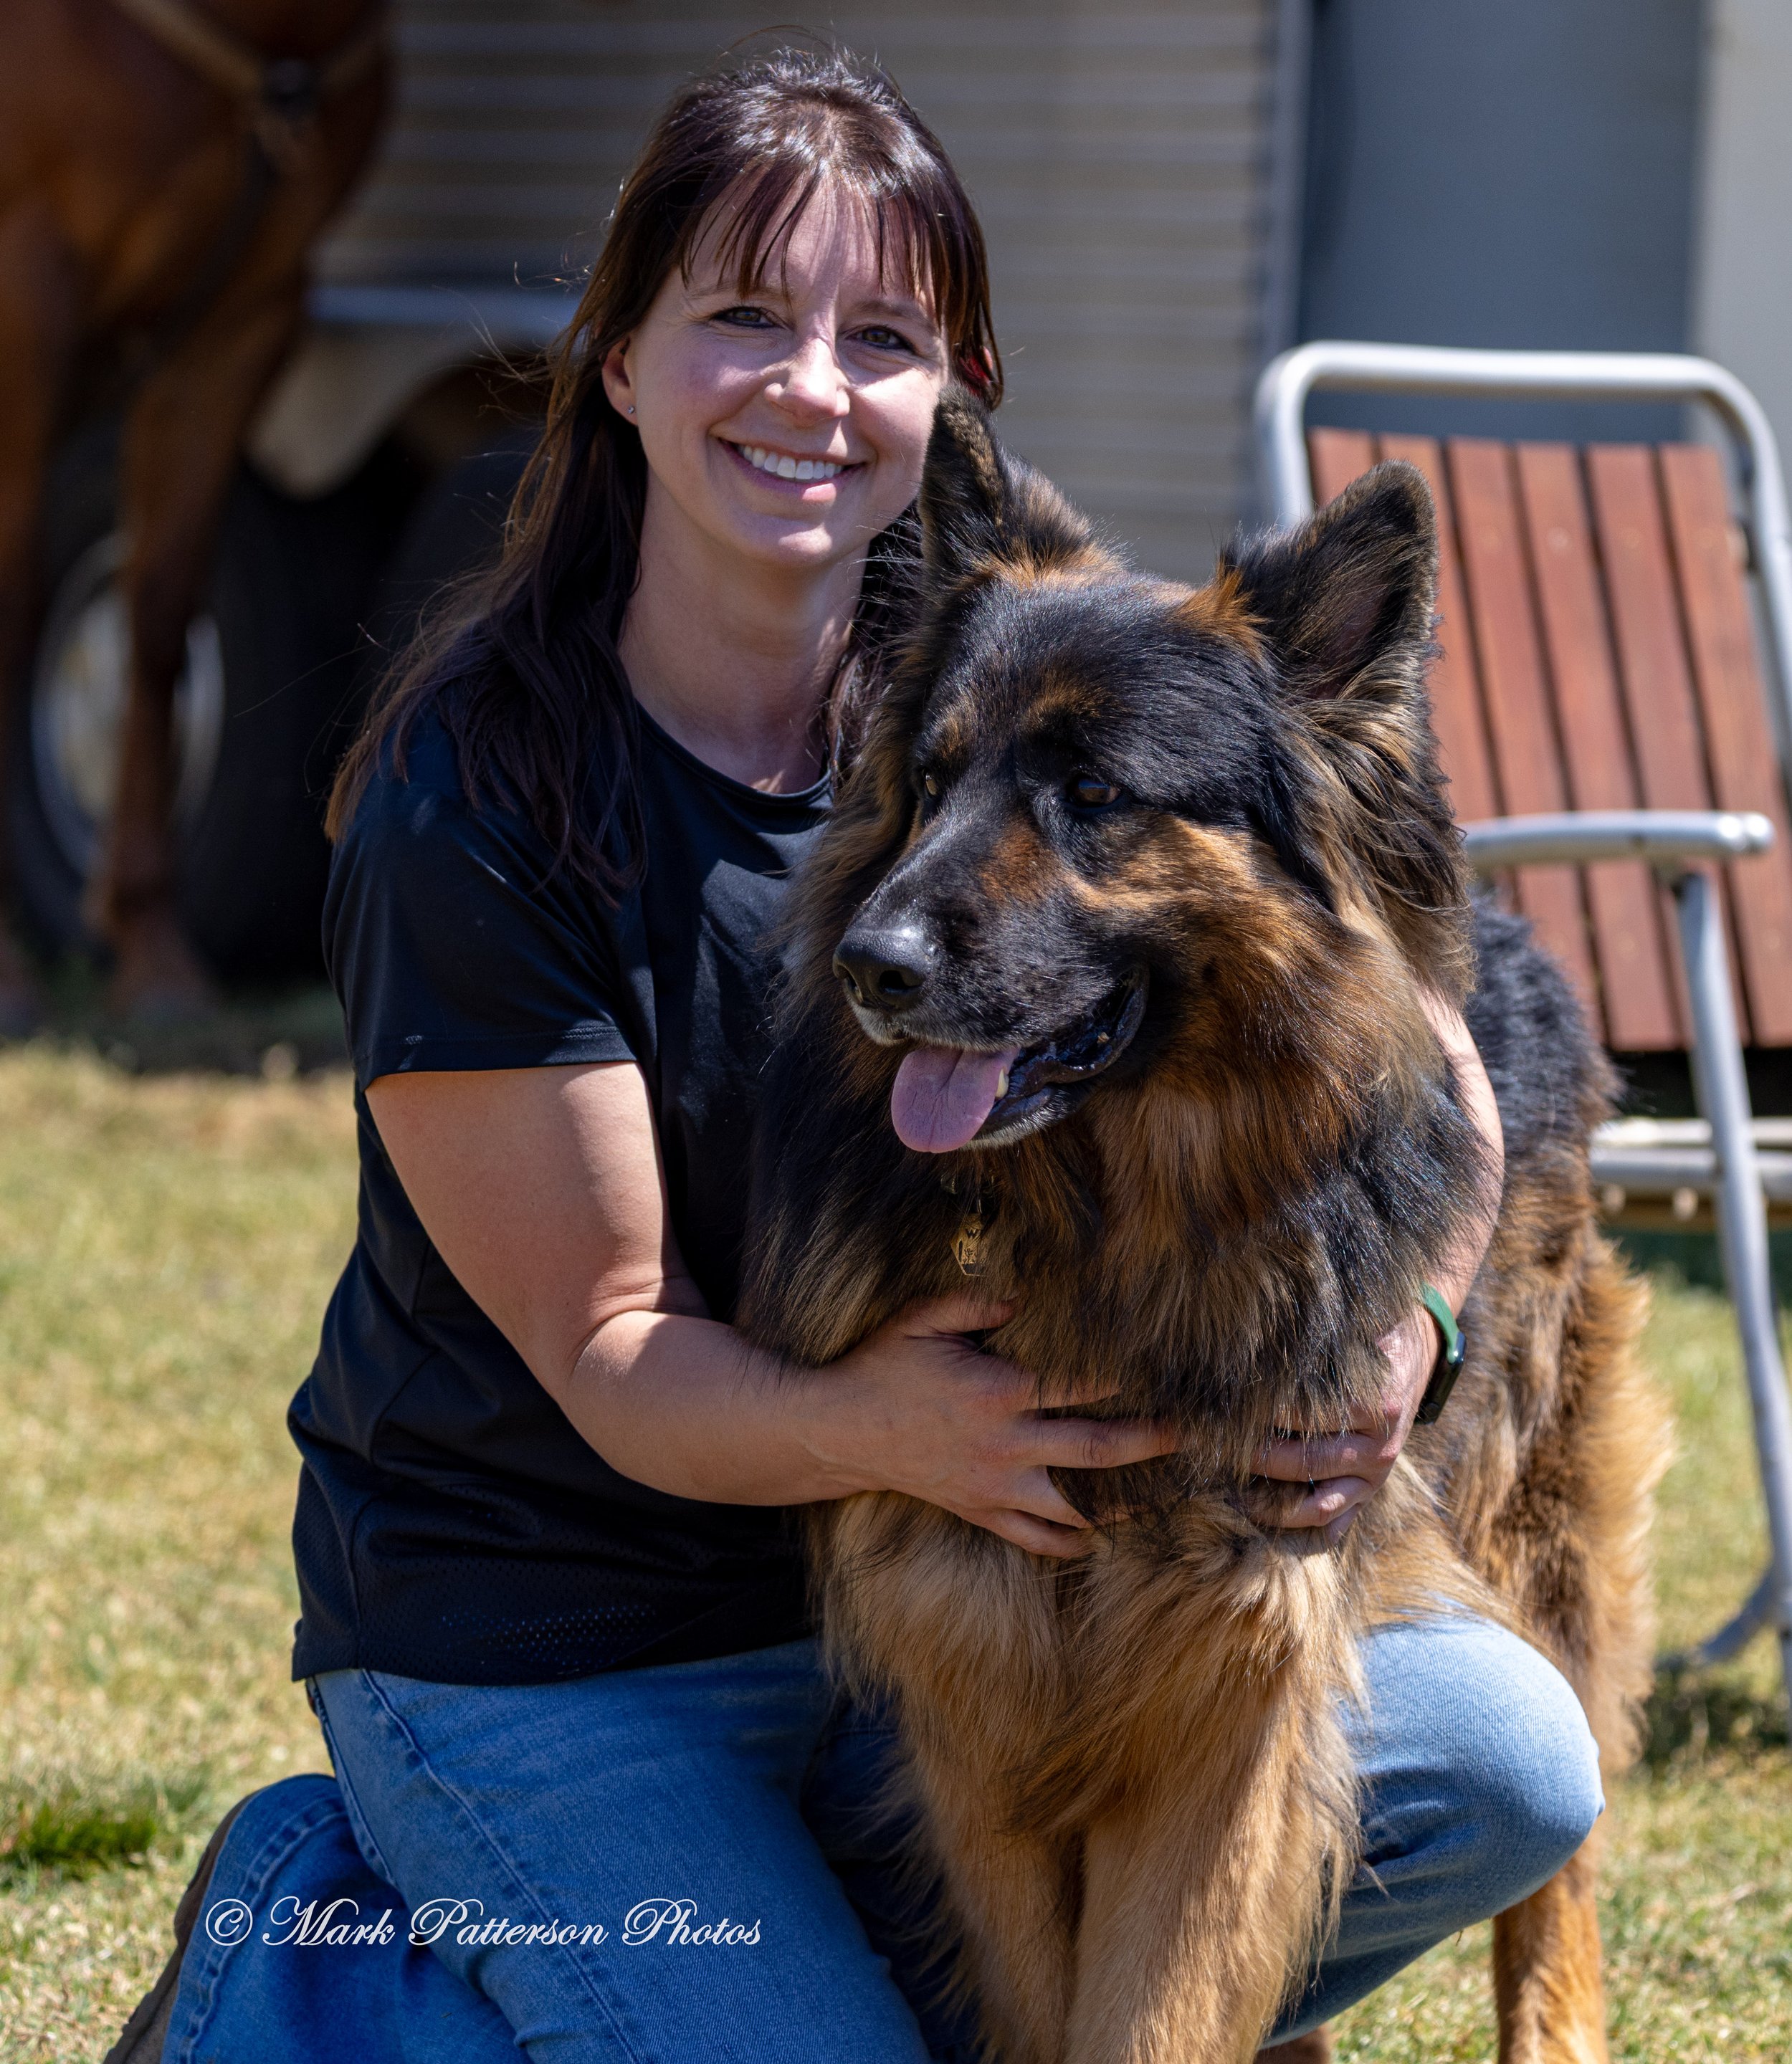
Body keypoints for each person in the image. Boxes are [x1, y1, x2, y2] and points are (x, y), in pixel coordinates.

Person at [149, 45, 1602, 2064]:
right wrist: (903, 1436)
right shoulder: (477, 798)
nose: (812, 386)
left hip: (868, 1637)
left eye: (881, 336)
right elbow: (614, 1356)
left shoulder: (977, 658)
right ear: (625, 358)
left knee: (1503, 1758)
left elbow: (1415, 1040)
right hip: (549, 1657)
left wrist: (1409, 1336)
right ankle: (319, 1954)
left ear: (950, 390)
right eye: (741, 315)